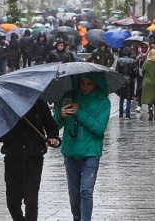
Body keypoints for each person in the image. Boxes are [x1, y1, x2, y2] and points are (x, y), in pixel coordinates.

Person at [53, 73, 110, 221]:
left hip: (91, 151)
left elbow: (99, 128)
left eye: (89, 84)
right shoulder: (69, 97)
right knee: (74, 194)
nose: (85, 87)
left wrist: (79, 112)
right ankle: (77, 216)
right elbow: (53, 126)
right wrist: (61, 116)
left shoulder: (103, 102)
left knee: (86, 190)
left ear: (96, 84)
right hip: (71, 151)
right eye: (82, 83)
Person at [0, 99, 60, 221]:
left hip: (34, 158)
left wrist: (53, 138)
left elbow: (51, 127)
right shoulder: (7, 106)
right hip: (13, 158)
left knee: (31, 200)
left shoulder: (39, 104)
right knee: (12, 202)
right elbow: (1, 135)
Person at [115, 47, 137, 119]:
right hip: (130, 80)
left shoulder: (119, 60)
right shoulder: (132, 61)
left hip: (121, 79)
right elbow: (135, 72)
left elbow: (116, 72)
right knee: (128, 98)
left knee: (121, 98)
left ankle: (120, 114)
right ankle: (127, 114)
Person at [135, 42, 149, 112]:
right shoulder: (139, 57)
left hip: (148, 75)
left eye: (145, 48)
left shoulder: (149, 56)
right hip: (140, 76)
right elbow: (136, 66)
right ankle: (139, 105)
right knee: (140, 89)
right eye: (142, 47)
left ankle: (149, 106)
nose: (143, 49)